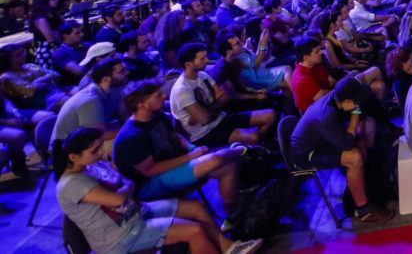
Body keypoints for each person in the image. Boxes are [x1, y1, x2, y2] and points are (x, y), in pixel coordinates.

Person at [57, 127, 262, 254]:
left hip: (137, 212)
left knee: (196, 208)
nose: (102, 153)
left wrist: (125, 187)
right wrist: (126, 188)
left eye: (100, 147)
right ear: (73, 157)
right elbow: (119, 198)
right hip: (121, 237)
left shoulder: (91, 166)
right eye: (95, 151)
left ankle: (228, 248)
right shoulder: (72, 184)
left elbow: (124, 185)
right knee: (194, 231)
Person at [113, 80, 245, 227]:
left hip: (174, 165)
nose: (164, 96)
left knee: (228, 166)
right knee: (215, 160)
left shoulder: (157, 115)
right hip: (151, 183)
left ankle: (232, 217)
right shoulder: (130, 137)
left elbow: (174, 136)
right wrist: (191, 156)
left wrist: (191, 148)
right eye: (158, 95)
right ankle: (242, 150)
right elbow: (150, 170)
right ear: (141, 105)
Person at [289, 76, 394, 224]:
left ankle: (368, 175)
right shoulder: (324, 116)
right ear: (346, 102)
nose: (358, 104)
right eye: (355, 101)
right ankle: (363, 210)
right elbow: (347, 144)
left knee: (367, 124)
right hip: (306, 153)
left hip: (321, 140)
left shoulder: (335, 99)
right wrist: (355, 113)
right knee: (353, 157)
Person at [169, 43, 276, 148]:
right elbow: (205, 119)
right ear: (188, 64)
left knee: (271, 115)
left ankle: (258, 147)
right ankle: (256, 149)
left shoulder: (202, 75)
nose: (207, 60)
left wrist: (209, 108)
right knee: (253, 137)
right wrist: (217, 102)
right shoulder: (182, 90)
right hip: (206, 133)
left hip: (221, 118)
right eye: (202, 58)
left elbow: (225, 98)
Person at [51, 56, 128, 151]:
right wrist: (130, 129)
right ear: (106, 80)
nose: (127, 73)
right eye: (121, 72)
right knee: (125, 141)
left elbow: (122, 116)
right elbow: (99, 135)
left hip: (85, 141)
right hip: (67, 151)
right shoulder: (91, 100)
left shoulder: (112, 91)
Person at [290, 36, 335, 114]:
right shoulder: (303, 80)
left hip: (324, 104)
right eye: (317, 51)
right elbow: (325, 97)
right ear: (306, 58)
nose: (321, 52)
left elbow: (331, 81)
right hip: (318, 114)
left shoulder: (314, 64)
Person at [50, 21, 88, 87]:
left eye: (82, 31)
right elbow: (79, 71)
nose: (82, 34)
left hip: (91, 81)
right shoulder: (59, 54)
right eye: (77, 33)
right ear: (65, 36)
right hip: (73, 88)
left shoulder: (85, 45)